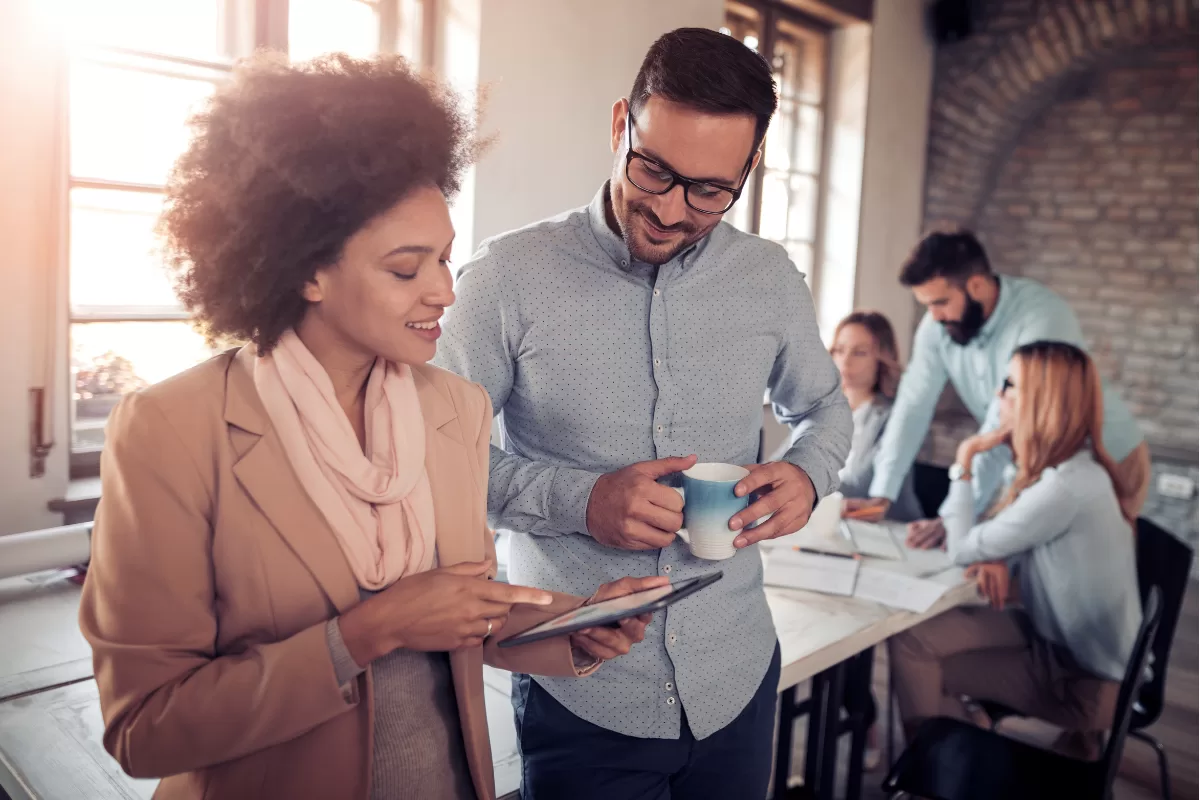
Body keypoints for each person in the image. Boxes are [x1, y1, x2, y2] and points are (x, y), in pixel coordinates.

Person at [77, 54, 659, 800]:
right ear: (307, 271)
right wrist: (363, 634)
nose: (445, 291)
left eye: (445, 259)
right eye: (406, 268)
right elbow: (146, 727)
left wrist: (568, 628)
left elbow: (458, 614)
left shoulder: (456, 409)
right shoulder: (171, 431)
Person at [435, 28, 852, 799]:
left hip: (737, 678)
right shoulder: (504, 279)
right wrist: (581, 501)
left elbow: (825, 409)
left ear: (749, 170)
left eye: (708, 191)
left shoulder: (768, 280)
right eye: (653, 169)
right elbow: (432, 460)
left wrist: (807, 473)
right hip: (582, 689)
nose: (668, 209)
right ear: (621, 121)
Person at [888, 341, 1142, 757]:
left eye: (1009, 385)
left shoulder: (1063, 488)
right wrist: (996, 551)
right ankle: (960, 750)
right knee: (915, 638)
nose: (996, 396)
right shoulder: (1073, 470)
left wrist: (965, 460)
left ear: (1043, 400)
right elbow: (993, 533)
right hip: (1056, 639)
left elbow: (961, 549)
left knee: (917, 657)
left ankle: (940, 767)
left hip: (1080, 680)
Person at [864, 231, 1150, 550]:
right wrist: (881, 494)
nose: (934, 316)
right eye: (927, 305)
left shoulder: (1040, 316)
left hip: (1108, 455)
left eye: (940, 302)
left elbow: (1002, 422)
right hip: (1036, 459)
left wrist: (953, 517)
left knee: (1085, 568)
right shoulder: (939, 327)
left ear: (976, 285)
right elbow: (912, 407)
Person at [827, 311, 923, 524]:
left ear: (882, 359)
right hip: (838, 524)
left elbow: (860, 488)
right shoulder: (823, 410)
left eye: (859, 353)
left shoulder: (895, 417)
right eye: (839, 350)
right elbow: (785, 461)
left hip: (893, 530)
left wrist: (801, 486)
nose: (845, 361)